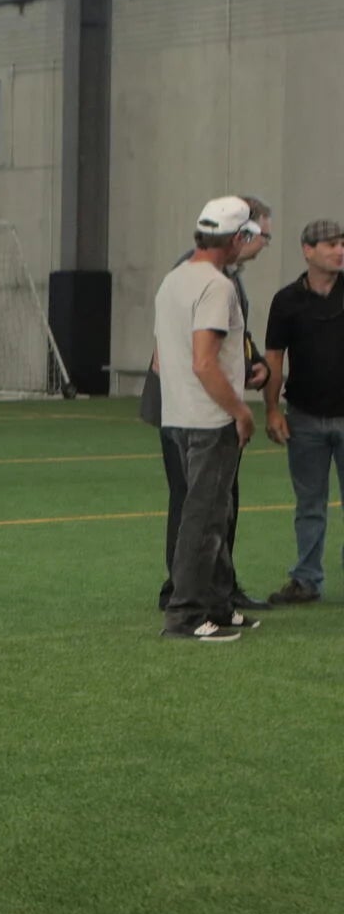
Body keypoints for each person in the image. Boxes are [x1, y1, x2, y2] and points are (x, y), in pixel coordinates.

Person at [147, 196, 274, 612]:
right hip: (208, 419)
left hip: (177, 416)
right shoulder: (217, 285)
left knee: (204, 514)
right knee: (205, 518)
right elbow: (204, 362)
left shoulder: (174, 280)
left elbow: (165, 359)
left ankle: (218, 603)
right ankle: (188, 610)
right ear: (240, 236)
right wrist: (240, 410)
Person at [262, 218, 344, 605]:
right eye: (330, 244)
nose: (339, 250)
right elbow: (274, 358)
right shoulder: (286, 301)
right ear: (307, 250)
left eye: (342, 243)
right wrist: (272, 410)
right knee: (309, 504)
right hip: (305, 417)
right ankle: (307, 580)